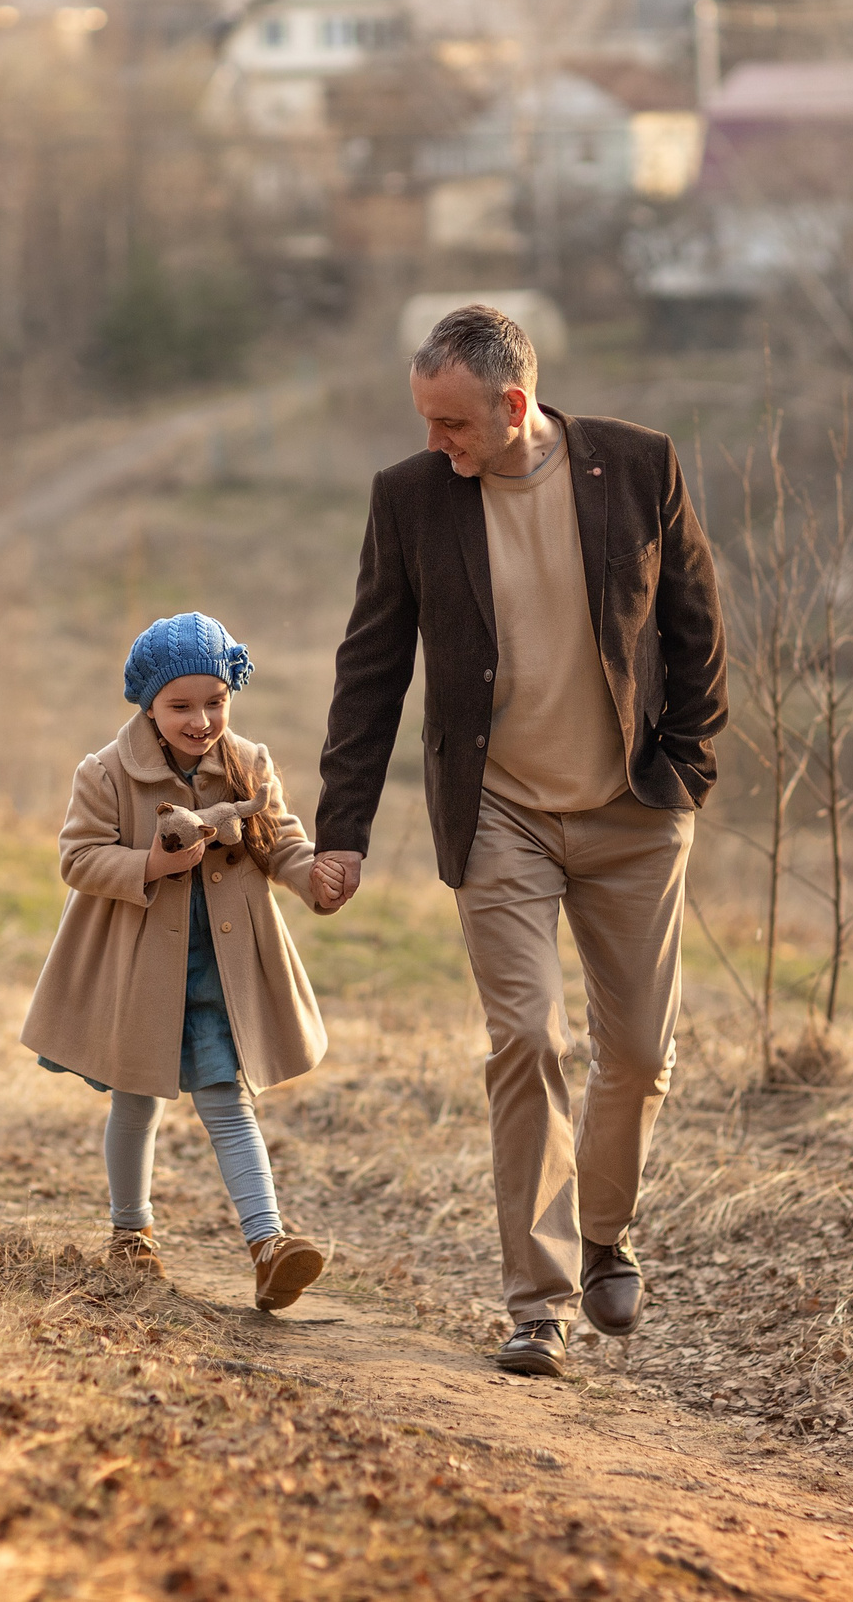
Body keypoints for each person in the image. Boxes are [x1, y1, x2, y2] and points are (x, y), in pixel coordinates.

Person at [310, 305, 728, 1376]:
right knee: (524, 1038)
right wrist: (342, 832)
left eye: (451, 424)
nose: (435, 444)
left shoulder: (639, 467)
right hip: (499, 811)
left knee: (637, 1056)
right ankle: (535, 1304)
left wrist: (686, 766)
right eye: (425, 424)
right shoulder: (410, 501)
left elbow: (698, 626)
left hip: (634, 811)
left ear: (511, 404)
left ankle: (603, 1238)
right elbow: (371, 670)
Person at [21, 611, 340, 1312]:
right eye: (182, 705)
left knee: (229, 1100)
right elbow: (77, 856)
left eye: (216, 702)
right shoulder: (105, 772)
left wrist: (313, 875)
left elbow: (279, 838)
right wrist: (151, 862)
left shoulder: (248, 763)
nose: (201, 719)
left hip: (224, 968)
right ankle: (131, 1232)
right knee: (136, 1101)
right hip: (139, 969)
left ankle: (268, 1244)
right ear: (149, 704)